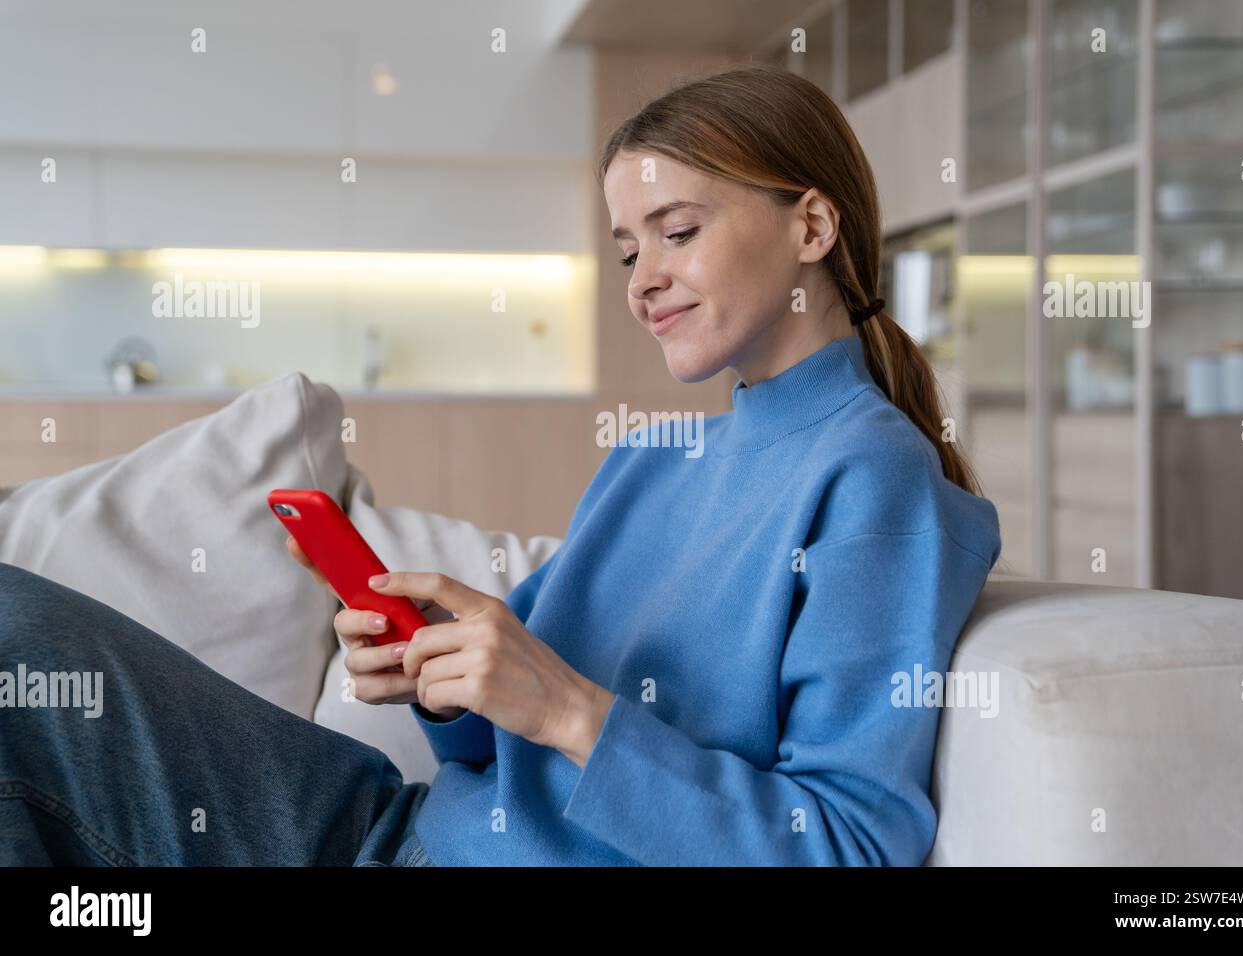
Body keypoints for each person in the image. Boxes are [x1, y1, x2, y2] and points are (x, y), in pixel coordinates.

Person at [0, 64, 999, 867]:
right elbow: (494, 733)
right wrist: (442, 675)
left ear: (811, 228)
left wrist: (565, 708)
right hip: (393, 825)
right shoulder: (652, 459)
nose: (643, 278)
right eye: (624, 250)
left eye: (678, 232)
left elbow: (848, 843)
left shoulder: (874, 482)